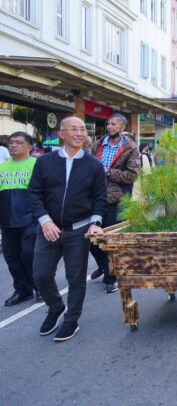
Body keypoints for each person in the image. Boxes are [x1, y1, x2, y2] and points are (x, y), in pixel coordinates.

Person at [29, 116, 107, 341]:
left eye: (83, 129)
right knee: (41, 274)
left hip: (78, 230)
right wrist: (45, 220)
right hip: (48, 228)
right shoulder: (44, 162)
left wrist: (95, 222)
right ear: (61, 134)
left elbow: (100, 198)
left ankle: (71, 320)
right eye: (74, 129)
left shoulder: (94, 165)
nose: (80, 133)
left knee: (76, 278)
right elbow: (34, 193)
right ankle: (55, 307)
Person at [89, 113, 140, 293]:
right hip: (93, 198)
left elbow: (132, 175)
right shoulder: (96, 145)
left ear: (122, 128)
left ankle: (112, 278)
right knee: (90, 240)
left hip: (115, 199)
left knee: (110, 240)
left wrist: (108, 172)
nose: (109, 127)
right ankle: (104, 266)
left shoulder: (131, 148)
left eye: (113, 124)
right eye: (108, 123)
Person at [0, 132, 41, 306]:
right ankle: (22, 290)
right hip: (8, 220)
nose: (13, 145)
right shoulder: (3, 167)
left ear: (29, 147)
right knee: (11, 257)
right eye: (11, 142)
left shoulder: (37, 164)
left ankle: (39, 287)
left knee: (28, 254)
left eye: (18, 142)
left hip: (30, 218)